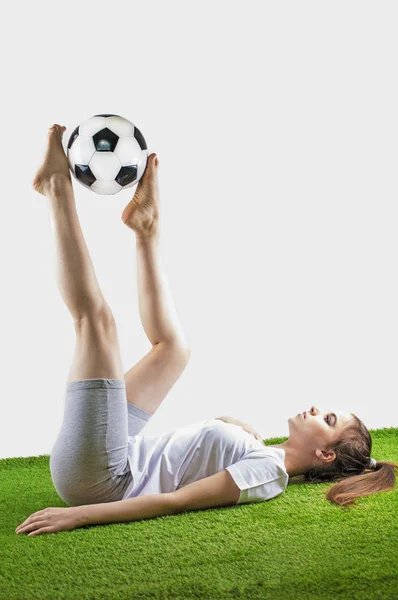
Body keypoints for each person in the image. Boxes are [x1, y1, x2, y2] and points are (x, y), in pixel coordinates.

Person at [15, 124, 397, 537]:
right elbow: (193, 456)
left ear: (324, 453)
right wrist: (233, 425)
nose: (316, 407)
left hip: (103, 482)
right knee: (174, 349)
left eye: (327, 418)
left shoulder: (268, 473)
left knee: (98, 323)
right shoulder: (263, 452)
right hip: (116, 456)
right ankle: (146, 229)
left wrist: (79, 515)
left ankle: (56, 188)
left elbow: (178, 500)